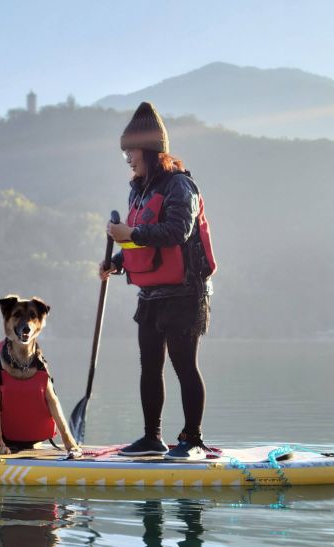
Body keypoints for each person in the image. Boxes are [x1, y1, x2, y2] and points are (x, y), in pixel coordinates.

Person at [99, 101, 217, 461]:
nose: (128, 160)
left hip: (186, 292)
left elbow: (176, 232)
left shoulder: (181, 186)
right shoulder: (139, 189)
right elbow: (142, 242)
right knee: (149, 365)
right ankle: (153, 438)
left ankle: (192, 440)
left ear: (149, 151)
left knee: (184, 366)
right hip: (152, 294)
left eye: (130, 153)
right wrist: (116, 261)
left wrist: (128, 231)